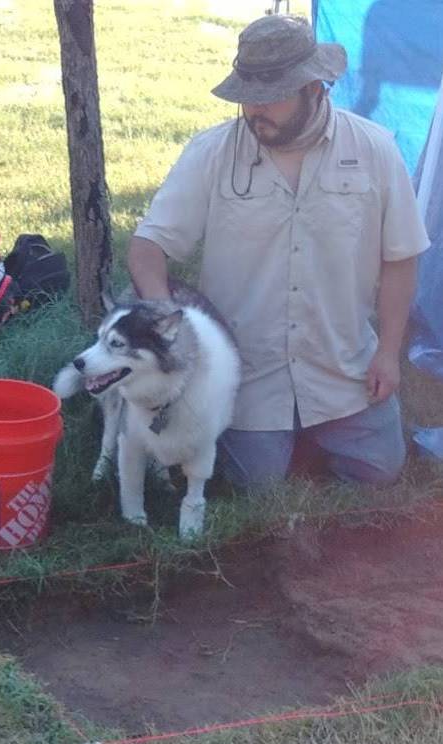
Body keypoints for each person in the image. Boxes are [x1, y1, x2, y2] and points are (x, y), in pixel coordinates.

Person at [128, 14, 430, 489]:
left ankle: (318, 435)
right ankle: (280, 443)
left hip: (343, 368)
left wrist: (389, 353)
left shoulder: (375, 149)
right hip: (248, 376)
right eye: (248, 96)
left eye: (272, 96)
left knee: (380, 472)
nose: (255, 109)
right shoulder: (211, 153)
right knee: (257, 487)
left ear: (314, 89)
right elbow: (149, 246)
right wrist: (163, 316)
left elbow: (401, 257)